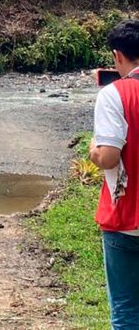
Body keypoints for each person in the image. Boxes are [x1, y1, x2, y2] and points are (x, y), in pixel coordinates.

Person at [90, 19, 139, 329]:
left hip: (125, 218)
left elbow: (109, 159)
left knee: (126, 310)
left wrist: (93, 148)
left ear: (117, 55)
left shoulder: (113, 94)